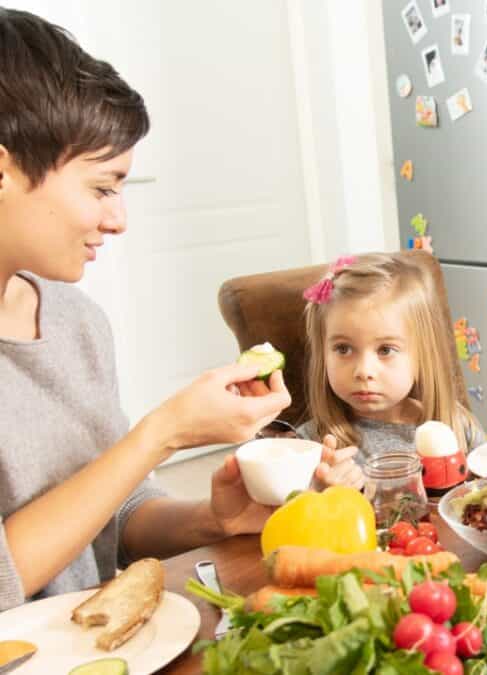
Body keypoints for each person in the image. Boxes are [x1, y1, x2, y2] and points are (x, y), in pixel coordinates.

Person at [0, 9, 294, 611]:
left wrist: (213, 520)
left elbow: (113, 512)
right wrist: (162, 434)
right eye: (102, 187)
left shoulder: (73, 320)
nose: (119, 218)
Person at [298, 253, 487, 489]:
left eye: (385, 350)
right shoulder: (309, 449)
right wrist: (322, 495)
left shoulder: (459, 425)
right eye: (344, 349)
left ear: (422, 356)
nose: (364, 371)